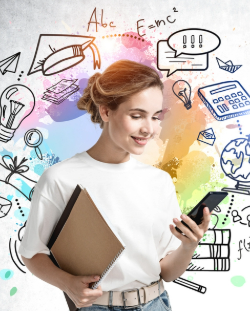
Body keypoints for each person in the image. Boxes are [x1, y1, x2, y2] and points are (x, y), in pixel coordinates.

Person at [19, 60, 210, 310]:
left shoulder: (158, 181)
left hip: (156, 304)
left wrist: (188, 246)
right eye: (137, 115)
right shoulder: (60, 178)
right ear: (106, 111)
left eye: (155, 117)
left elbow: (167, 272)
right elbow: (32, 253)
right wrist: (67, 283)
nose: (149, 129)